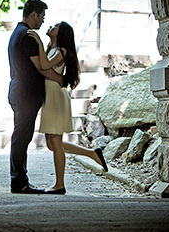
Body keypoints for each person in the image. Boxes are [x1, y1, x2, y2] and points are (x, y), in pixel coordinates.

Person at [28, 20, 110, 194]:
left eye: (55, 25)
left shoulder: (61, 51)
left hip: (55, 97)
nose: (51, 26)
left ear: (61, 32)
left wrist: (38, 42)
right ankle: (92, 154)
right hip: (51, 96)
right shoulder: (53, 49)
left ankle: (59, 184)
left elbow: (43, 66)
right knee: (51, 143)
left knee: (55, 143)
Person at [7, 0, 57, 194]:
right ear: (33, 14)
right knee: (21, 137)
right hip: (26, 94)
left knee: (21, 136)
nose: (43, 21)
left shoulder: (17, 33)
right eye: (42, 16)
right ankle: (19, 182)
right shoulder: (28, 36)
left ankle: (19, 179)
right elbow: (42, 68)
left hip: (19, 91)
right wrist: (61, 79)